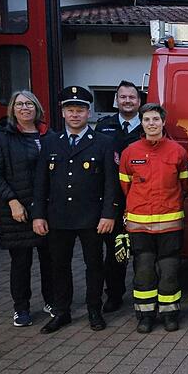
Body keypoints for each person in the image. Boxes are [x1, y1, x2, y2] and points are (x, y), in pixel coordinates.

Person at [32, 86, 117, 334]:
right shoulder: (50, 143)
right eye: (70, 110)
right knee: (59, 266)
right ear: (63, 112)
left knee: (94, 265)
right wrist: (38, 214)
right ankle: (62, 312)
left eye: (80, 110)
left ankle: (94, 310)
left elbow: (111, 183)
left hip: (92, 217)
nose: (75, 115)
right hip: (58, 217)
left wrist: (108, 214)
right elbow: (40, 182)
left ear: (88, 112)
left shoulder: (103, 142)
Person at [119, 103, 188, 333]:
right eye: (147, 119)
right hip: (139, 225)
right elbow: (125, 185)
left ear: (162, 122)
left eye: (156, 119)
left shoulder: (177, 151)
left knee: (169, 270)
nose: (152, 124)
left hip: (170, 223)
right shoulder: (130, 152)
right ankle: (145, 314)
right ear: (142, 122)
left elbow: (184, 185)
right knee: (144, 269)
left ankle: (170, 314)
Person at [0, 90, 55, 327]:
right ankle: (22, 308)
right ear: (13, 109)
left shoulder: (49, 136)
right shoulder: (1, 139)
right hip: (17, 210)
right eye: (19, 104)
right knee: (21, 262)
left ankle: (51, 300)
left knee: (49, 259)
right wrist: (12, 201)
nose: (25, 107)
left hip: (46, 208)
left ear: (37, 108)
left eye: (29, 103)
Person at [94, 80, 144, 313]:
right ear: (116, 100)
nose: (127, 101)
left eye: (131, 97)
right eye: (122, 97)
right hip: (113, 199)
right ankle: (114, 294)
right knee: (115, 252)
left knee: (143, 252)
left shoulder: (147, 125)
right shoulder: (104, 126)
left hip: (141, 199)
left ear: (139, 101)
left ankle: (143, 293)